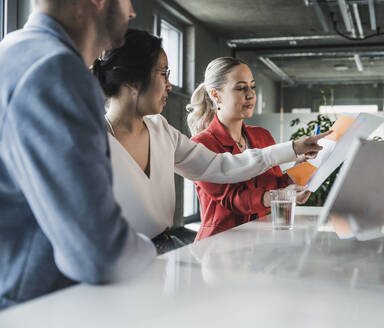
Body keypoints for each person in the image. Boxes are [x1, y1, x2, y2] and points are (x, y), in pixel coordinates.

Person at [91, 30, 329, 254]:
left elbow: (221, 166)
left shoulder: (161, 129)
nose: (169, 85)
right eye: (163, 73)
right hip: (117, 256)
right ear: (133, 80)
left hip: (164, 250)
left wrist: (294, 149)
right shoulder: (91, 140)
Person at [0, 0, 157, 310]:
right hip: (36, 308)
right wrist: (151, 248)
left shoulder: (13, 51)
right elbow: (100, 253)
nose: (132, 12)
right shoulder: (54, 70)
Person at [188, 57, 318, 241]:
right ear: (216, 95)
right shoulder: (202, 145)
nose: (250, 95)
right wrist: (278, 195)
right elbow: (233, 199)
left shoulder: (262, 136)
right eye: (241, 88)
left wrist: (304, 167)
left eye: (252, 86)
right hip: (220, 246)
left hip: (261, 242)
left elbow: (276, 186)